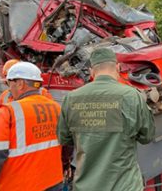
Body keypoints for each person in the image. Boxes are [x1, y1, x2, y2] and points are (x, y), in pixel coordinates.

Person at [57, 48, 155, 190]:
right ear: (118, 67)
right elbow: (147, 137)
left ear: (92, 71)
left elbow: (65, 139)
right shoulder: (132, 96)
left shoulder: (71, 98)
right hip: (124, 186)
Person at [0, 62, 63, 190]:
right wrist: (64, 166)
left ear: (20, 84)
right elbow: (66, 145)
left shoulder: (7, 112)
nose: (9, 89)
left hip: (19, 185)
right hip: (53, 181)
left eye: (10, 83)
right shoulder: (57, 108)